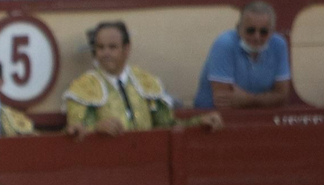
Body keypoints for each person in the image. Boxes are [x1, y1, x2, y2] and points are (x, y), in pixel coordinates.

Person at [67, 20, 223, 136]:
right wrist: (96, 128)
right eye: (100, 47)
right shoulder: (83, 87)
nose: (105, 53)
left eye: (112, 47)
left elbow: (167, 125)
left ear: (126, 49)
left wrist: (198, 122)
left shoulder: (145, 82)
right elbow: (75, 131)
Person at [194, 1, 290, 110]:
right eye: (250, 30)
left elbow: (283, 97)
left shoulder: (279, 45)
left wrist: (248, 99)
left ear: (272, 32)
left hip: (256, 117)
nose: (257, 37)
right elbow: (223, 102)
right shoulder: (224, 44)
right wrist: (268, 99)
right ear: (238, 28)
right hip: (213, 116)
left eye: (263, 31)